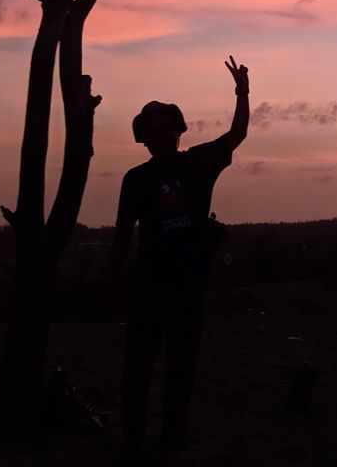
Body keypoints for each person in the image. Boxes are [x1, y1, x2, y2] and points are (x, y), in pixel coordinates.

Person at [110, 55, 250, 464]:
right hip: (147, 287)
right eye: (151, 129)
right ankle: (133, 441)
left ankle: (172, 438)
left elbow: (237, 133)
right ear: (145, 139)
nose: (159, 133)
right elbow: (122, 232)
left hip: (188, 287)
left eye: (164, 126)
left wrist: (242, 92)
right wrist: (112, 282)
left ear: (176, 130)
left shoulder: (199, 162)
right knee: (137, 369)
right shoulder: (135, 179)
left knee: (181, 369)